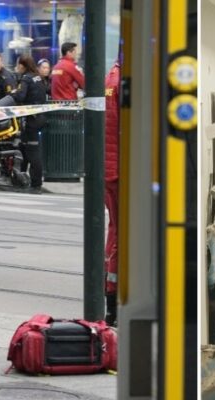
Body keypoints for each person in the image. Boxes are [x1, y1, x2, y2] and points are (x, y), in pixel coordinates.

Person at [10, 55, 49, 193]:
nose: (17, 67)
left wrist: (13, 93)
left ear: (23, 65)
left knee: (32, 152)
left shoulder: (26, 79)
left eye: (18, 65)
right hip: (40, 118)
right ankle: (21, 179)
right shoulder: (38, 78)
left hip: (32, 120)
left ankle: (36, 184)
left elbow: (20, 96)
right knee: (24, 148)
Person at [103, 57, 121, 326]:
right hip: (119, 170)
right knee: (122, 235)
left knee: (115, 230)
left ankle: (111, 298)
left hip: (110, 168)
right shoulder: (121, 84)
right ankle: (113, 303)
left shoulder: (111, 78)